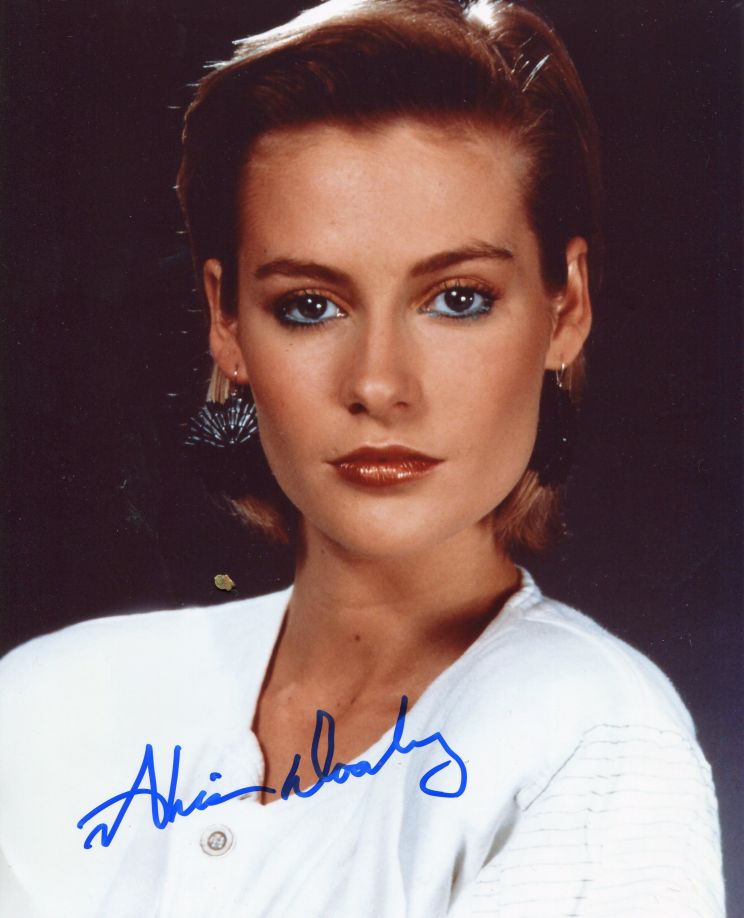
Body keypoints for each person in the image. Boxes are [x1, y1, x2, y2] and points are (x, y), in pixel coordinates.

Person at [0, 0, 725, 915]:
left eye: (458, 299)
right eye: (310, 306)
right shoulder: (47, 700)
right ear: (227, 321)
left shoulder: (593, 741)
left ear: (565, 307)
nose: (379, 384)